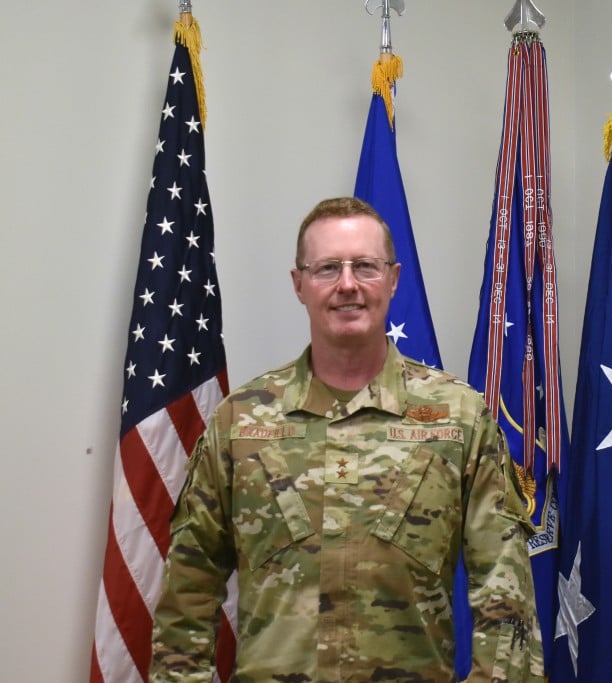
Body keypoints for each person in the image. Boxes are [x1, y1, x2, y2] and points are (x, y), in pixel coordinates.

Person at [150, 197, 544, 682]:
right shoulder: (242, 421)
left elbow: (505, 597)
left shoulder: (458, 419)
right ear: (299, 284)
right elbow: (187, 592)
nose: (348, 284)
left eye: (365, 267)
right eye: (327, 268)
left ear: (394, 279)